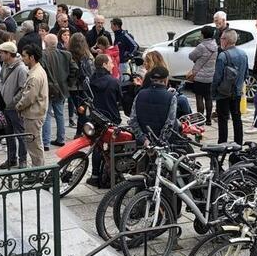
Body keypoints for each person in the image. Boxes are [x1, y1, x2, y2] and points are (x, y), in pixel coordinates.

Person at [85, 53, 122, 187]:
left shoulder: (91, 80)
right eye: (111, 62)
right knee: (112, 147)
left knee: (97, 146)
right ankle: (110, 175)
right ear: (105, 65)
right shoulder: (113, 81)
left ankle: (95, 175)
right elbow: (120, 99)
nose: (113, 65)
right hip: (111, 118)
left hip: (95, 118)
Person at [211, 29, 247, 146]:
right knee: (237, 117)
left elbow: (217, 77)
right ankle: (238, 142)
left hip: (223, 92)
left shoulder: (223, 56)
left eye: (221, 38)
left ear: (225, 40)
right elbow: (245, 74)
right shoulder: (243, 54)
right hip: (237, 91)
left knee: (223, 118)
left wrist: (213, 91)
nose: (220, 41)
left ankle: (222, 142)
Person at [16, 45, 49, 167]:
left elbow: (29, 97)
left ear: (32, 57)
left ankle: (38, 171)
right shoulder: (37, 71)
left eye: (24, 56)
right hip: (35, 113)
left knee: (34, 145)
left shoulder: (35, 75)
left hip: (33, 115)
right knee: (34, 143)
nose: (22, 59)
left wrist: (18, 106)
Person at [0, 41, 28, 169]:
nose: (0, 55)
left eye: (2, 53)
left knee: (20, 134)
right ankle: (11, 158)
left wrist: (13, 101)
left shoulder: (21, 69)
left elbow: (23, 89)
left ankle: (23, 160)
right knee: (8, 134)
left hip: (14, 108)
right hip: (5, 106)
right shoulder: (5, 65)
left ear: (9, 54)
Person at [128, 65, 177, 143]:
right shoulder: (171, 97)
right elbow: (170, 123)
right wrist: (160, 141)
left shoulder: (140, 94)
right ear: (165, 79)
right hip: (161, 145)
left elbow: (132, 120)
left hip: (143, 142)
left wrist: (143, 139)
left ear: (151, 79)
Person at [41, 34, 71, 149]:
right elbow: (74, 69)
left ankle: (46, 142)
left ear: (46, 43)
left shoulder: (43, 55)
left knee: (47, 115)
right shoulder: (65, 55)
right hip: (61, 89)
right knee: (60, 114)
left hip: (48, 89)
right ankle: (61, 138)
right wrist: (68, 82)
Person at [188, 25, 218, 126]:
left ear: (203, 34)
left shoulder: (201, 46)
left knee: (199, 97)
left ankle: (200, 119)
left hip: (200, 76)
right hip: (210, 76)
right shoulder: (215, 45)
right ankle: (209, 120)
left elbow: (191, 56)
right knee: (208, 98)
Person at [68, 33, 94, 133]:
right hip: (85, 87)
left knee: (80, 112)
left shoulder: (69, 55)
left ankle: (82, 131)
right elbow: (91, 72)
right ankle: (80, 132)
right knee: (82, 110)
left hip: (73, 88)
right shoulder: (88, 55)